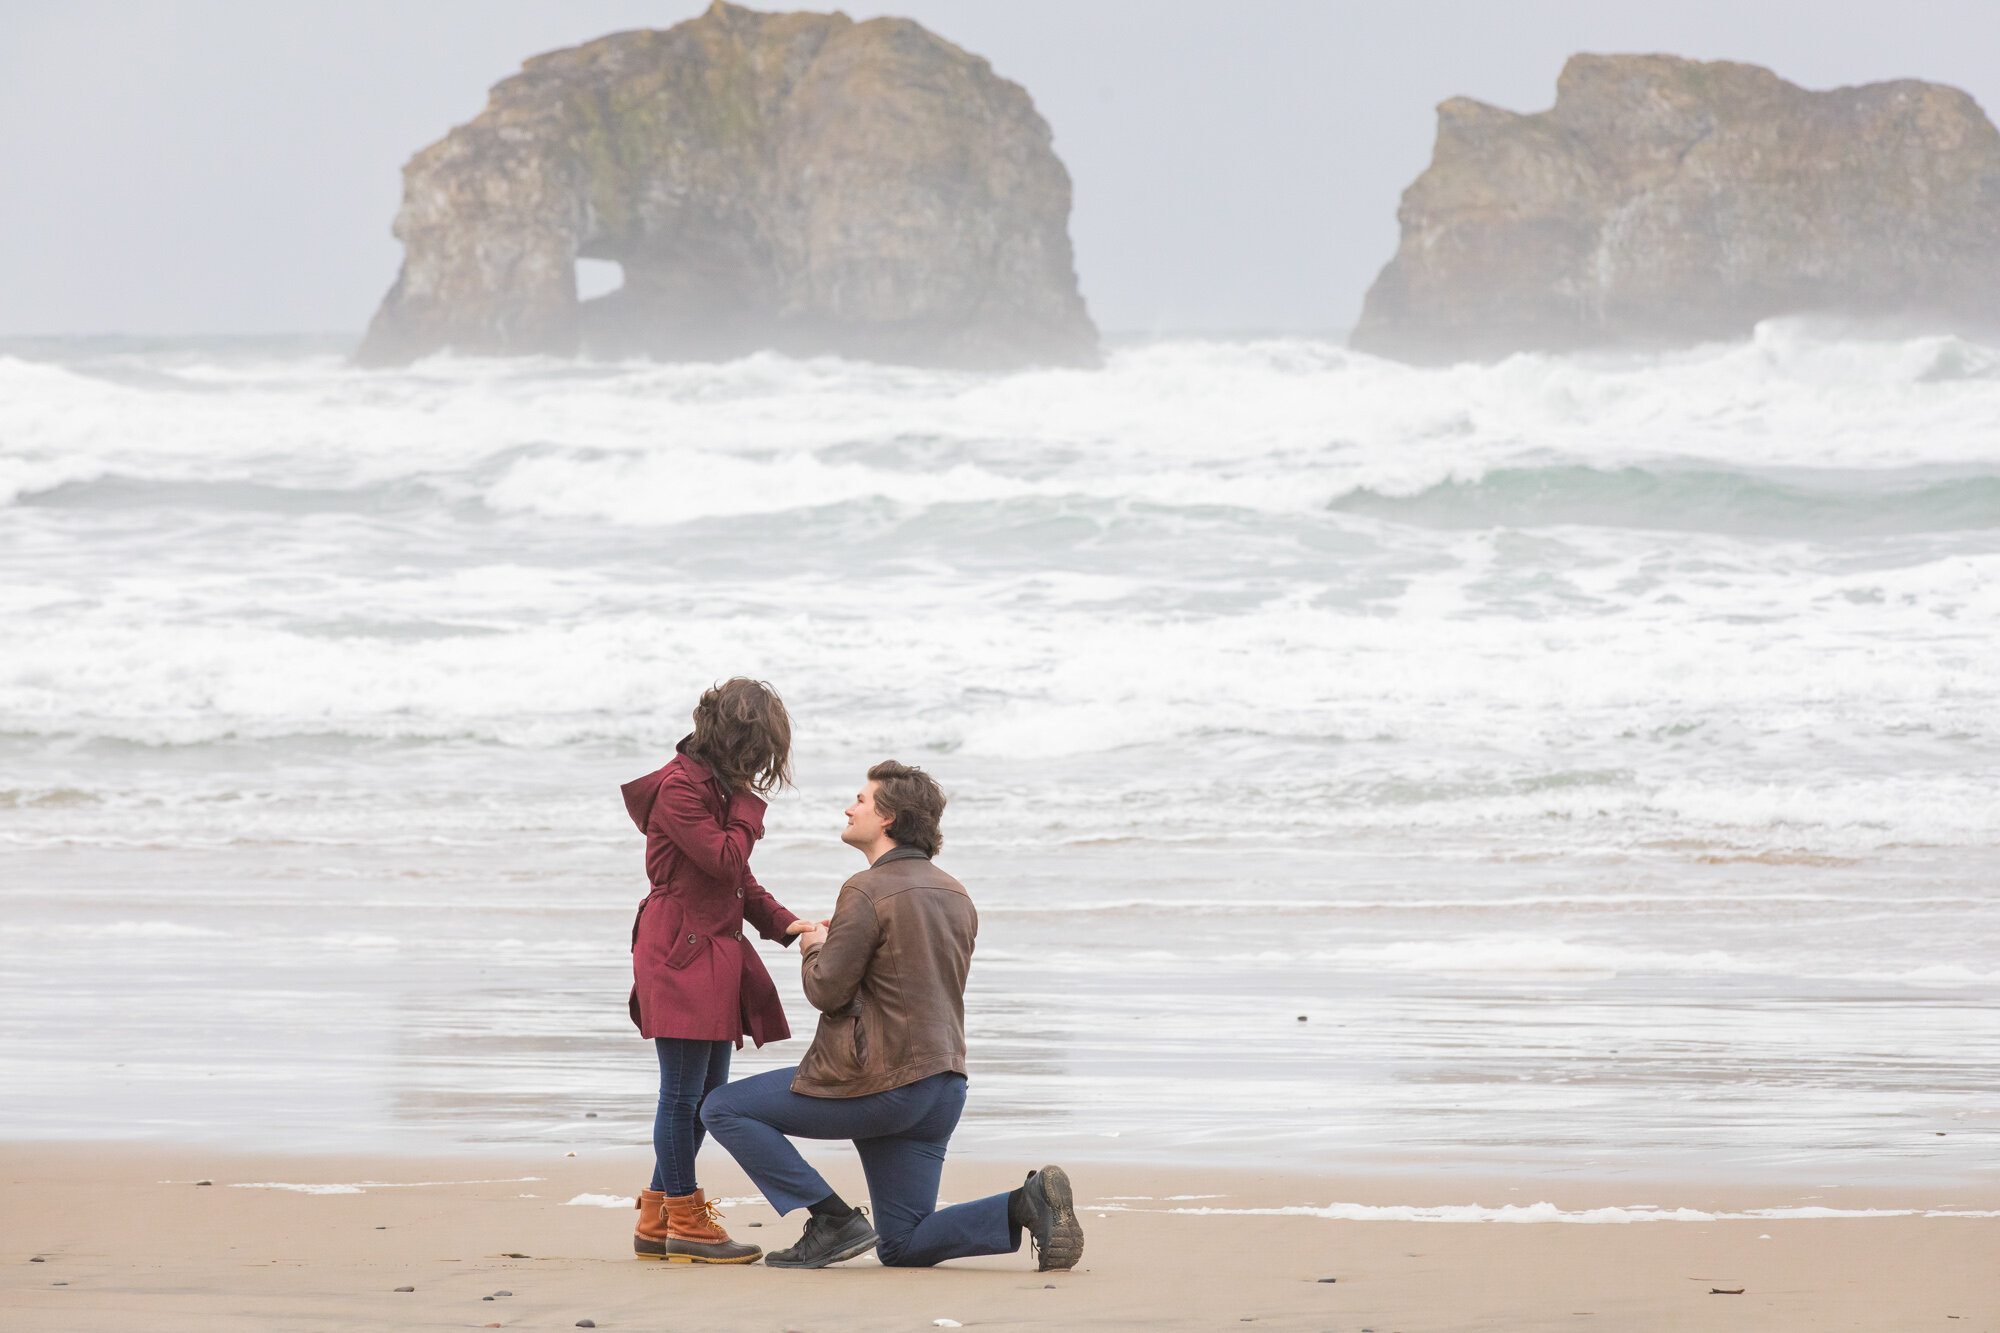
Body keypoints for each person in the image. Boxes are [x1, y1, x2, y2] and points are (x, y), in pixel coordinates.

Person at [701, 760, 1084, 1271]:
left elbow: (827, 990)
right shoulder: (956, 892)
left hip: (881, 1086)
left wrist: (814, 947)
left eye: (861, 800)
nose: (849, 808)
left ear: (888, 817)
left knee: (723, 1107)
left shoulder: (865, 889)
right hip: (943, 1086)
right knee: (901, 1245)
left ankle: (831, 1218)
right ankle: (1024, 1203)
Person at [618, 678, 815, 1264]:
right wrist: (750, 803)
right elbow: (727, 858)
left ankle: (657, 1216)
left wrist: (788, 926)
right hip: (679, 949)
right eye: (758, 750)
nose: (760, 765)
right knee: (682, 1096)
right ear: (736, 740)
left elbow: (738, 881)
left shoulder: (715, 788)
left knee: (707, 1097)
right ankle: (685, 1218)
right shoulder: (680, 788)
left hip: (710, 949)